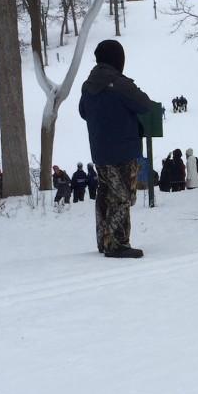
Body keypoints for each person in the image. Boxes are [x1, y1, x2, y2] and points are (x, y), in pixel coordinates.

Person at [79, 39, 154, 258]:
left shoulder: (89, 85)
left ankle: (105, 239)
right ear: (117, 59)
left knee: (105, 192)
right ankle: (118, 244)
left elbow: (83, 111)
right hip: (123, 148)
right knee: (122, 195)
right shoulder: (119, 84)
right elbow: (144, 104)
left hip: (100, 151)